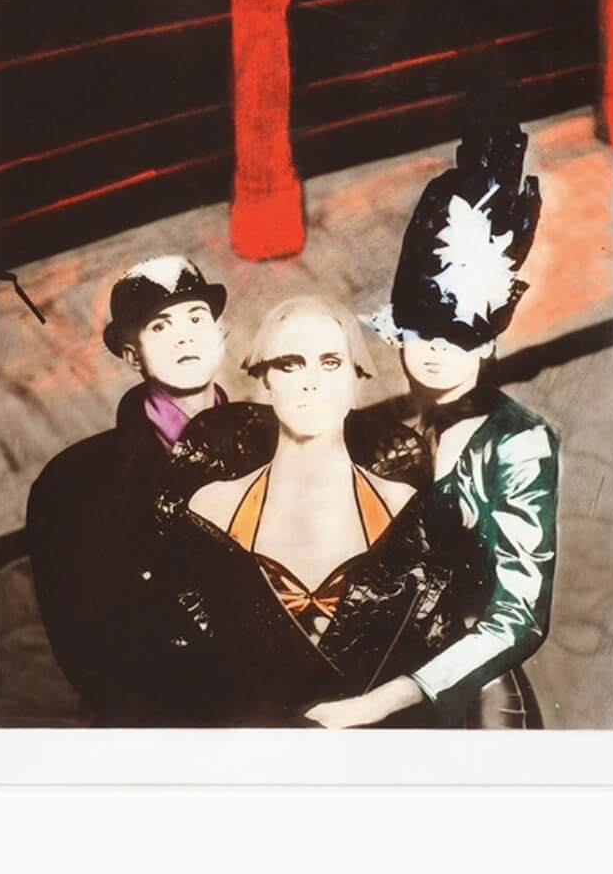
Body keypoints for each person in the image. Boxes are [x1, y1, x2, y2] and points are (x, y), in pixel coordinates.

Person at [304, 81, 561, 729]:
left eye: (461, 339)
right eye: (424, 334)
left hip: (469, 685)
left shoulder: (517, 442)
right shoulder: (365, 428)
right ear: (398, 332)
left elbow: (519, 616)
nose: (438, 353)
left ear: (490, 342)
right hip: (359, 668)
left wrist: (376, 705)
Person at [157, 296, 468, 727]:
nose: (311, 383)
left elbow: (445, 656)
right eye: (290, 364)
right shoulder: (210, 507)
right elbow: (179, 667)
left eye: (331, 363)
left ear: (356, 376)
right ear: (264, 379)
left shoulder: (404, 505)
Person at [24, 254, 229, 724]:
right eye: (160, 326)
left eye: (196, 317)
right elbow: (89, 657)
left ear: (219, 333)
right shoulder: (71, 483)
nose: (183, 336)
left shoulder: (281, 439)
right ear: (132, 355)